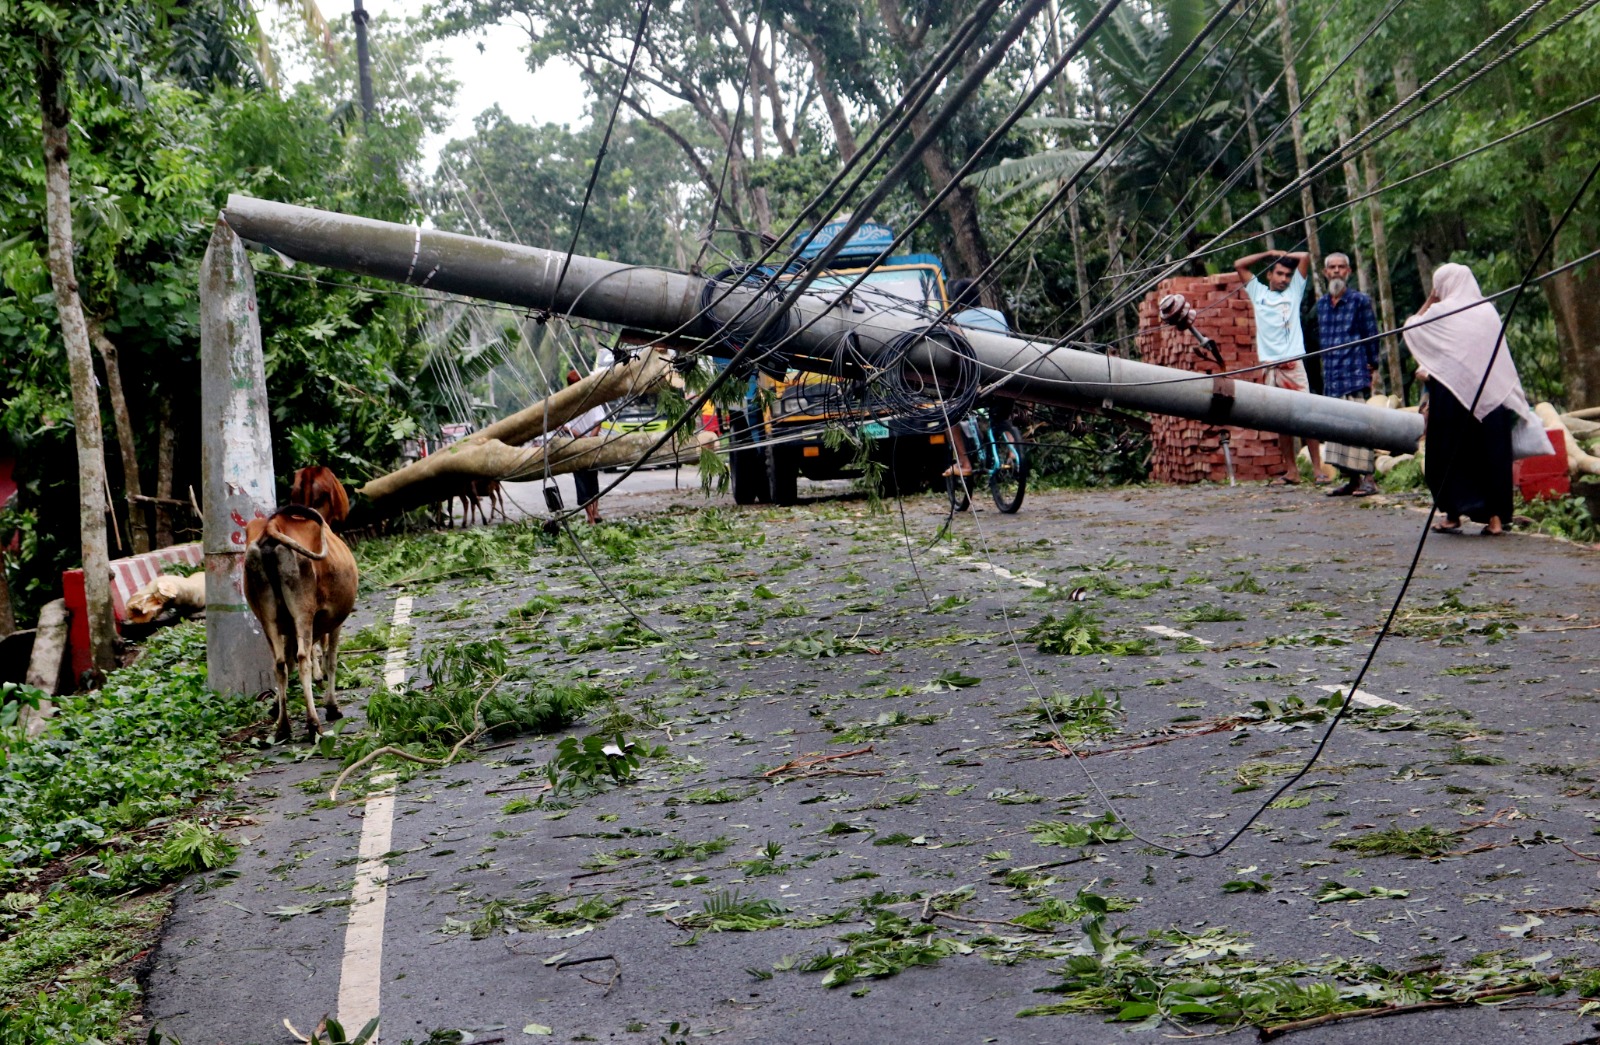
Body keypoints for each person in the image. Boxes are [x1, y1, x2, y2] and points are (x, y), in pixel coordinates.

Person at [1402, 263, 1528, 537]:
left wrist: (1431, 299)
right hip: (1490, 397)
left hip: (1451, 397)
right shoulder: (1487, 311)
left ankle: (1453, 515)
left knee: (1448, 455)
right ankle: (1494, 520)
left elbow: (1411, 328)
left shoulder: (1441, 311)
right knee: (1490, 456)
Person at [1233, 250, 1327, 484]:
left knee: (1307, 417)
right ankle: (1292, 471)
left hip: (1293, 364)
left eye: (1287, 275)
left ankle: (1317, 470)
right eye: (1280, 274)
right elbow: (1239, 263)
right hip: (1270, 367)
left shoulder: (1294, 293)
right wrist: (1267, 253)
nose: (1284, 279)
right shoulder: (1259, 294)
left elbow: (1305, 256)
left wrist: (1281, 253)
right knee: (1280, 420)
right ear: (1269, 276)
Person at [1315, 252, 1383, 496]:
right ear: (1325, 273)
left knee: (1359, 427)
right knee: (1338, 429)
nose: (1335, 271)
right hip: (1333, 375)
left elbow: (1372, 335)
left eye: (1340, 267)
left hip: (1354, 372)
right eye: (1331, 267)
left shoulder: (1359, 301)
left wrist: (1372, 365)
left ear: (1348, 272)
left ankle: (1368, 479)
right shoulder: (1322, 304)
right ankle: (1352, 480)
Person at [942, 278, 1009, 477]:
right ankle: (1015, 455)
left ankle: (964, 464)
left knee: (947, 416)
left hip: (972, 382)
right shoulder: (998, 315)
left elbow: (950, 354)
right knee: (1003, 417)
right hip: (1004, 378)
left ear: (959, 303)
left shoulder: (955, 321)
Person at [563, 369, 606, 524]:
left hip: (577, 446)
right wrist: (590, 438)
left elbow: (566, 427)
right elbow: (599, 423)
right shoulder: (590, 398)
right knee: (592, 479)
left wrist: (583, 438)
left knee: (582, 483)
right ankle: (595, 512)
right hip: (592, 444)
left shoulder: (568, 403)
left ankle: (590, 516)